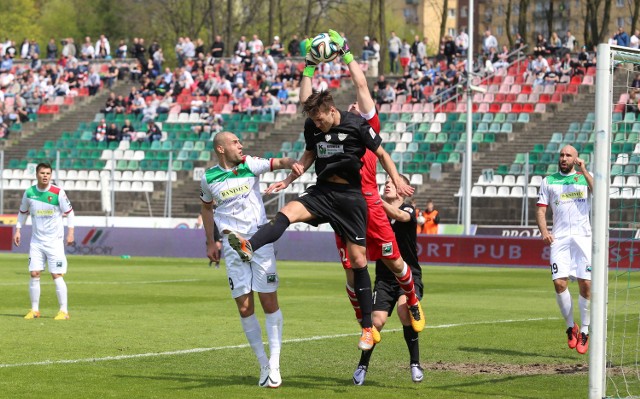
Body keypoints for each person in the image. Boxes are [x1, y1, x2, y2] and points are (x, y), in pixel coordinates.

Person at [229, 30, 418, 352]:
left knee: (383, 261)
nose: (316, 123)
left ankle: (409, 301)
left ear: (333, 112)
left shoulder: (363, 124)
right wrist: (290, 179)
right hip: (324, 193)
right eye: (313, 119)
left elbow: (363, 92)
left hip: (358, 200)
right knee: (288, 213)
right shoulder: (315, 124)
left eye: (319, 118)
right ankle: (249, 244)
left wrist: (345, 52)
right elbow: (308, 124)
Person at [199, 131, 299, 388]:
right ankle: (263, 364)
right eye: (235, 142)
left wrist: (292, 164)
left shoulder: (249, 164)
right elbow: (207, 208)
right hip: (233, 247)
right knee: (244, 308)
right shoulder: (208, 177)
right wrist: (211, 241)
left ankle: (275, 364)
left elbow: (277, 162)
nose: (240, 145)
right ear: (221, 149)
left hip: (259, 242)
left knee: (269, 302)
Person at [352, 175, 424, 385]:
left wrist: (375, 199)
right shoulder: (376, 213)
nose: (386, 184)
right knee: (376, 322)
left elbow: (400, 216)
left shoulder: (409, 209)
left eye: (391, 183)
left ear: (402, 188)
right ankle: (362, 366)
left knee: (404, 312)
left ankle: (415, 364)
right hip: (384, 279)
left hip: (408, 275)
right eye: (385, 183)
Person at [536, 145, 594, 355]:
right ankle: (572, 327)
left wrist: (585, 171)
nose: (563, 158)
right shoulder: (548, 181)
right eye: (561, 155)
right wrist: (544, 232)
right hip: (559, 238)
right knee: (559, 283)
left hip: (583, 237)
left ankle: (586, 331)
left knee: (585, 284)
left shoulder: (584, 177)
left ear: (576, 158)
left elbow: (598, 191)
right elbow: (541, 210)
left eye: (568, 155)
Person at [13, 162, 75, 321]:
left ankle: (64, 311)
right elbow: (22, 212)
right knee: (34, 273)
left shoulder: (58, 192)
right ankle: (34, 310)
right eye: (42, 173)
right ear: (37, 175)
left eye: (48, 173)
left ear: (51, 175)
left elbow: (70, 213)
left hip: (55, 242)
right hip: (36, 242)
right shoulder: (29, 193)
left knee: (57, 274)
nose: (45, 176)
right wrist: (18, 229)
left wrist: (71, 233)